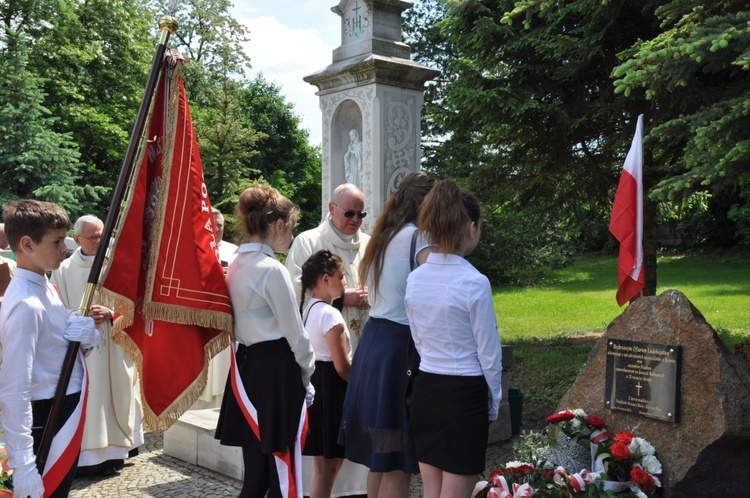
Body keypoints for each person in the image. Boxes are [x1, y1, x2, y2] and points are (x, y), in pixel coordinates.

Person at [338, 171, 436, 498]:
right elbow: (433, 294)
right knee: (397, 462)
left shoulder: (385, 235)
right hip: (399, 348)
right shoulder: (418, 239)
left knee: (381, 459)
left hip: (374, 346)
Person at [214, 183, 316, 498]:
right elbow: (296, 333)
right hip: (277, 373)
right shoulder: (272, 269)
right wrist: (308, 372)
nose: (292, 236)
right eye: (292, 228)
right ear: (278, 225)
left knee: (256, 477)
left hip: (246, 369)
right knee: (281, 473)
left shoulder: (236, 265)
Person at [404, 180, 503, 498]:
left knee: (432, 493)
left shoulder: (415, 279)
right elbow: (489, 352)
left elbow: (418, 339)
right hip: (463, 395)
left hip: (426, 390)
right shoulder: (475, 282)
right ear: (471, 228)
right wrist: (493, 403)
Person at [0, 199, 99, 498]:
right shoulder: (26, 304)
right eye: (57, 242)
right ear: (28, 244)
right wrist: (24, 462)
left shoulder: (43, 284)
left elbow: (52, 349)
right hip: (48, 413)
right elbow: (15, 388)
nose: (65, 249)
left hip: (64, 406)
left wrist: (81, 337)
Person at [50, 214, 143, 476]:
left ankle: (117, 452)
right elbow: (56, 308)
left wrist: (112, 313)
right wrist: (78, 316)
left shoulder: (116, 264)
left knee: (120, 393)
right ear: (77, 239)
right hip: (83, 350)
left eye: (102, 235)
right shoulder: (63, 269)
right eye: (92, 237)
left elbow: (134, 301)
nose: (98, 241)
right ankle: (88, 457)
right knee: (90, 399)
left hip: (115, 345)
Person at [286, 183, 370, 350]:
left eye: (360, 214)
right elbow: (295, 289)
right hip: (323, 345)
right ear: (332, 208)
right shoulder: (308, 241)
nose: (355, 219)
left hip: (366, 338)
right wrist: (341, 298)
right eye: (349, 213)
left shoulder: (369, 244)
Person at [299, 250, 352, 498]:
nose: (345, 282)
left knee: (323, 468)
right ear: (325, 279)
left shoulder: (309, 308)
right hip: (332, 389)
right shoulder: (330, 314)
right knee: (328, 468)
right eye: (341, 277)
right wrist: (359, 387)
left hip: (316, 383)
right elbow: (341, 365)